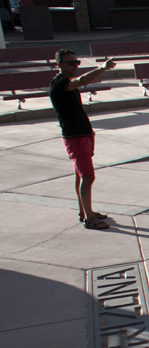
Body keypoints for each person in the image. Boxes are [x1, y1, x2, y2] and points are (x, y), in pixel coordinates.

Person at [49, 49, 116, 230]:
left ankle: (85, 212)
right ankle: (89, 219)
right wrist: (102, 68)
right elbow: (83, 81)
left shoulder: (65, 83)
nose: (74, 65)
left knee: (80, 175)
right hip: (75, 137)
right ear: (59, 65)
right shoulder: (60, 83)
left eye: (76, 62)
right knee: (88, 176)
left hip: (81, 135)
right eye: (70, 63)